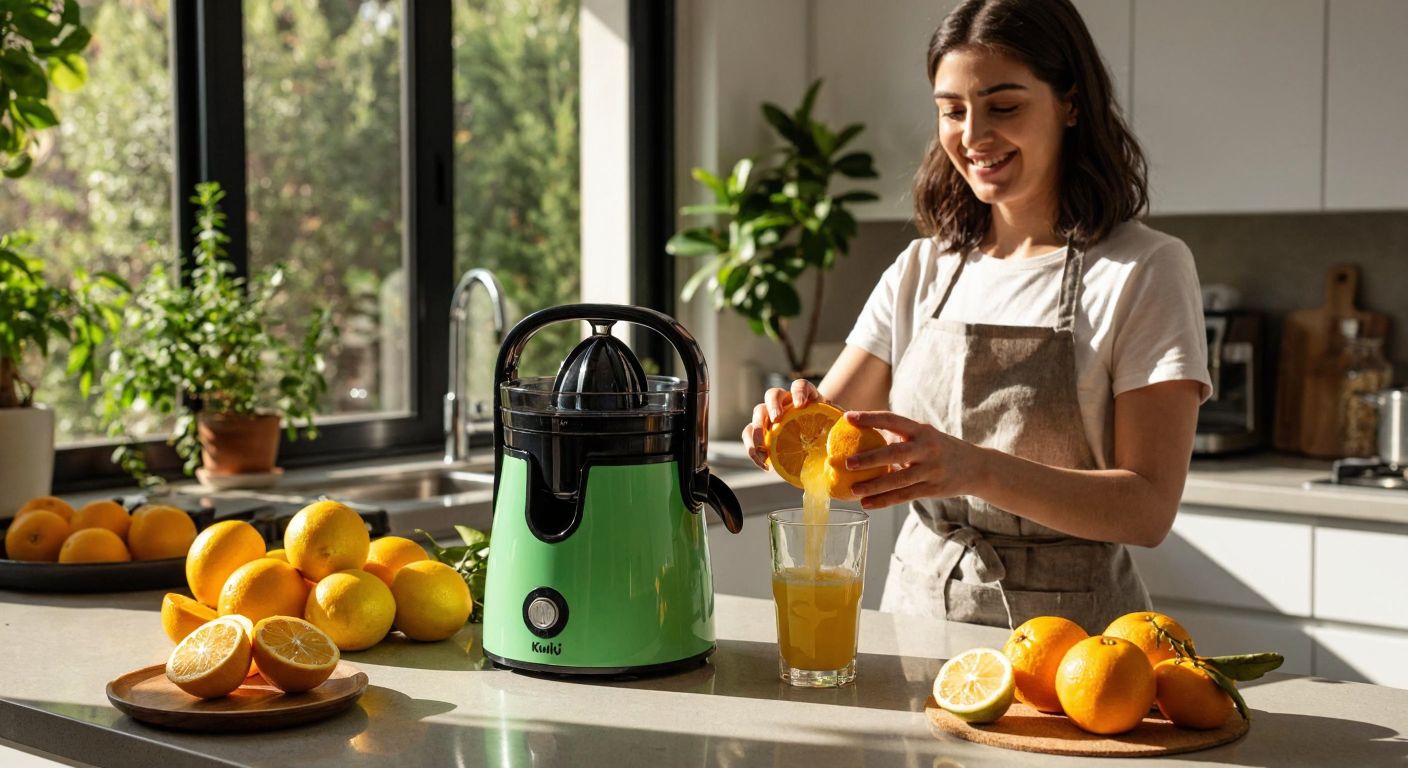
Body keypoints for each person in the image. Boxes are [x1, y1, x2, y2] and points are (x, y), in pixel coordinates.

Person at [741, 0, 1211, 634]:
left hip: (1074, 646)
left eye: (1004, 106)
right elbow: (836, 457)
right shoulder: (920, 270)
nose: (973, 136)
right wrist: (784, 430)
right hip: (913, 620)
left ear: (1070, 103)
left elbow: (1148, 510)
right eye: (952, 110)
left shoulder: (1144, 269)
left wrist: (973, 467)